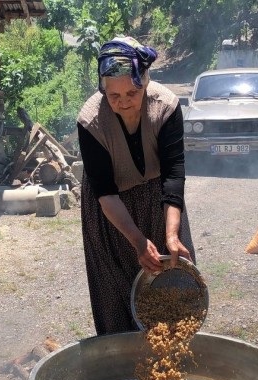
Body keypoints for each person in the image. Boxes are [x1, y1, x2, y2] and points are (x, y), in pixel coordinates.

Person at [76, 36, 195, 335]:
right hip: (110, 212)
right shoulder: (91, 120)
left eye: (131, 92)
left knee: (170, 283)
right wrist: (138, 242)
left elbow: (173, 174)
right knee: (115, 291)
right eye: (113, 95)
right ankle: (123, 367)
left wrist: (171, 233)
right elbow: (105, 192)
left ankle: (172, 361)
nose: (123, 102)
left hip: (159, 202)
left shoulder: (165, 106)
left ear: (145, 78)